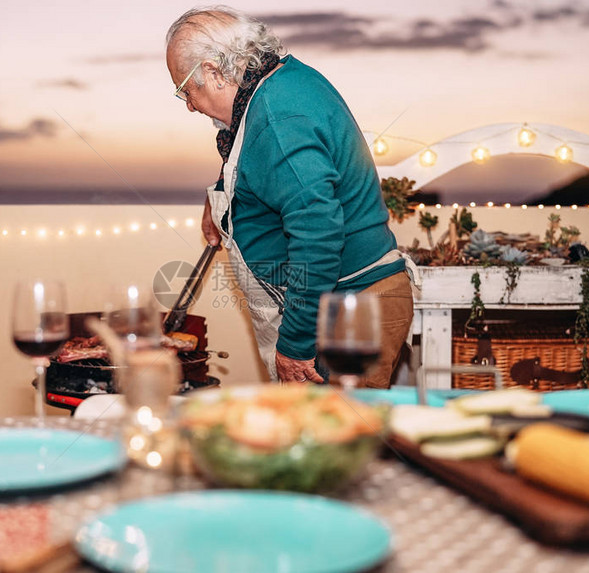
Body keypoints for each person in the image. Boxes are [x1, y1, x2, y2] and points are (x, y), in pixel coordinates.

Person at [165, 6, 416, 387]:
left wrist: (296, 346)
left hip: (349, 308)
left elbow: (318, 234)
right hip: (340, 302)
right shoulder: (279, 81)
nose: (188, 104)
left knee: (332, 441)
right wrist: (221, 201)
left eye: (186, 88)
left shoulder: (278, 118)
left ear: (214, 72)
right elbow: (262, 165)